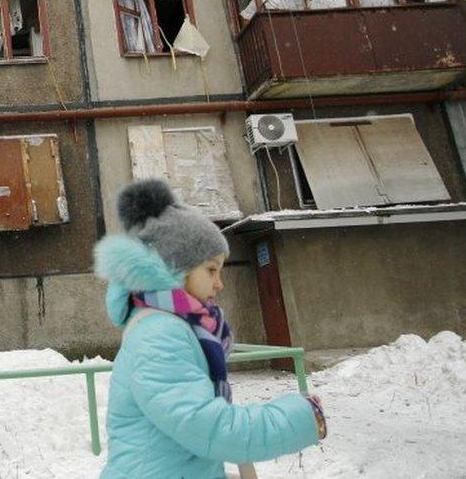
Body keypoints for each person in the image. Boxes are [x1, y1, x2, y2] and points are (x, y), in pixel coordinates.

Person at [94, 179, 326, 479]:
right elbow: (209, 428)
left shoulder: (171, 326)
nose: (219, 283)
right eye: (211, 270)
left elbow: (182, 444)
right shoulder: (159, 334)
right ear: (177, 269)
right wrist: (303, 417)